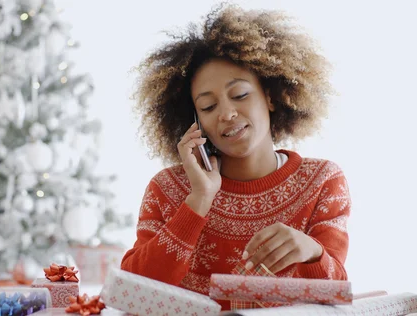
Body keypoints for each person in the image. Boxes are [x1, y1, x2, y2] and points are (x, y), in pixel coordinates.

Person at [120, 3, 351, 311]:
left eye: (240, 95)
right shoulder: (167, 189)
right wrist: (198, 201)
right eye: (208, 106)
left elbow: (337, 298)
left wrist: (313, 253)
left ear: (269, 96)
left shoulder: (323, 182)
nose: (227, 114)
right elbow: (133, 293)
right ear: (195, 121)